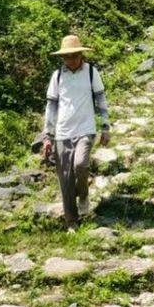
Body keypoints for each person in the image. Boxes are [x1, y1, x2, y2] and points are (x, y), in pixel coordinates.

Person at [40, 34, 110, 227]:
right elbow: (51, 106)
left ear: (81, 55)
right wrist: (47, 135)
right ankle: (72, 222)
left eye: (74, 55)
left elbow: (101, 100)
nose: (71, 59)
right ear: (62, 58)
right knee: (65, 180)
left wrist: (105, 126)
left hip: (85, 129)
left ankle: (84, 196)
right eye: (67, 56)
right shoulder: (58, 76)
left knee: (80, 164)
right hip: (62, 133)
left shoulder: (91, 72)